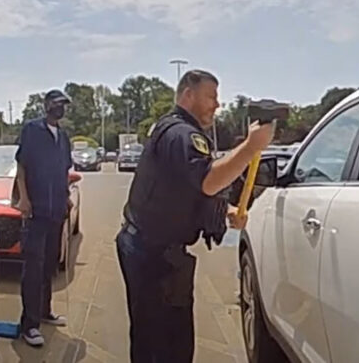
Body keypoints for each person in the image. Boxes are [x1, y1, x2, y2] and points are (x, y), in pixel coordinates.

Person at [116, 70, 274, 363]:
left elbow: (185, 189)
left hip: (149, 249)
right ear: (188, 95)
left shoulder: (175, 130)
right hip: (153, 255)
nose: (217, 104)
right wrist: (252, 147)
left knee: (156, 341)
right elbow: (207, 181)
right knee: (165, 347)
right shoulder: (180, 134)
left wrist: (225, 211)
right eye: (211, 97)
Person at [14, 89, 74, 347]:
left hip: (56, 211)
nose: (61, 108)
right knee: (34, 268)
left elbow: (64, 171)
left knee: (49, 265)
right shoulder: (32, 130)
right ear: (47, 105)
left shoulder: (63, 138)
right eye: (57, 103)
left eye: (64, 105)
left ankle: (45, 311)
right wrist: (24, 198)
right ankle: (29, 325)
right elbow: (22, 166)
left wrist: (66, 197)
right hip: (36, 211)